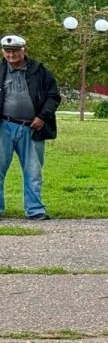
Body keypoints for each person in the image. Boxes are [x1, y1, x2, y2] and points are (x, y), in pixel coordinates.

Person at [0, 34, 60, 221]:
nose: (11, 55)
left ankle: (35, 210)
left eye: (15, 51)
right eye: (7, 51)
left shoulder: (40, 71)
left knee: (33, 171)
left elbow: (53, 96)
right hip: (4, 126)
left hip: (32, 128)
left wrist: (42, 117)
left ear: (24, 49)